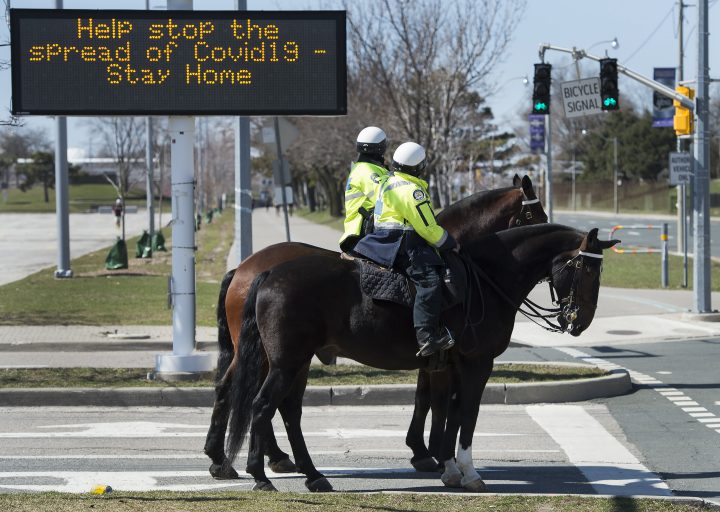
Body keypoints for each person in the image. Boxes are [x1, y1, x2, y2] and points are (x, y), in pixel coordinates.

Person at [354, 142, 457, 358]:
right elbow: (427, 228)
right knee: (429, 281)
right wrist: (449, 242)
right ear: (418, 167)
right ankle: (427, 336)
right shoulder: (412, 190)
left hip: (381, 241)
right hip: (403, 243)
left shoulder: (387, 183)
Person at [339, 126, 391, 254]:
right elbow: (388, 199)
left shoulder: (364, 168)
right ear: (381, 148)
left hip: (366, 230)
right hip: (363, 233)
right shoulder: (367, 171)